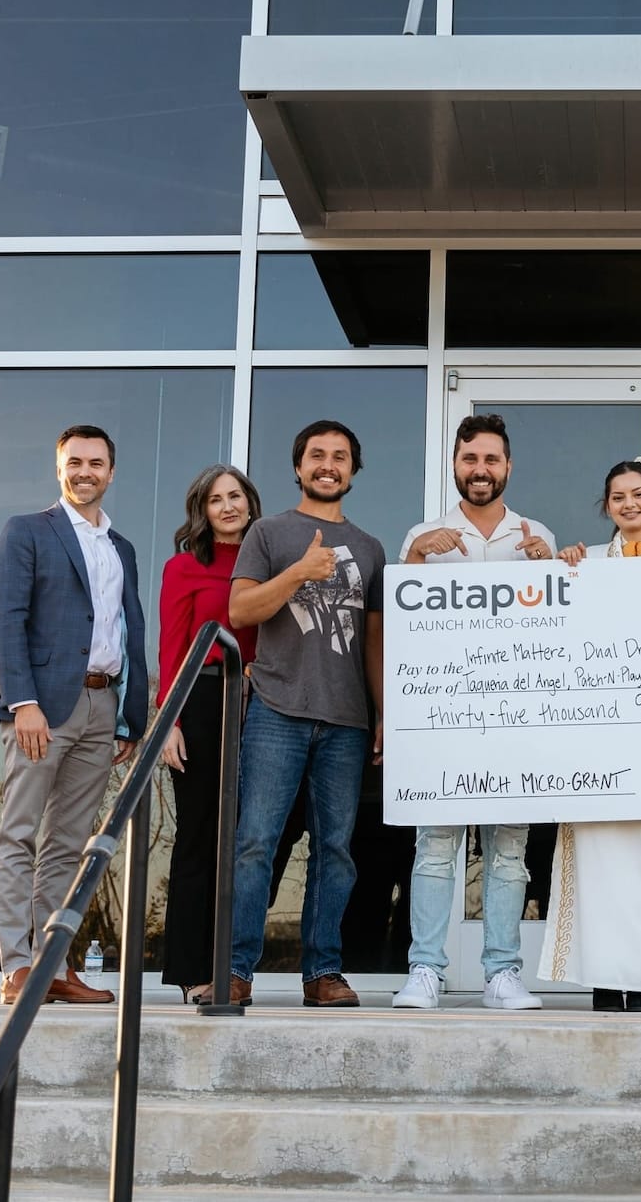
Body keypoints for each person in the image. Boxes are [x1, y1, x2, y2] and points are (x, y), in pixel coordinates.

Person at [213, 421, 385, 1008]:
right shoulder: (269, 531)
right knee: (255, 843)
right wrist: (298, 573)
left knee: (336, 850)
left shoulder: (370, 548)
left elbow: (373, 642)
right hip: (277, 711)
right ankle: (235, 970)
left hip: (346, 720)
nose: (328, 465)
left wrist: (382, 712)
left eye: (340, 456)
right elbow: (239, 611)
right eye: (317, 455)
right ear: (298, 466)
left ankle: (323, 972)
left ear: (353, 472)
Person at [392, 414, 554, 1012]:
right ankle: (425, 971)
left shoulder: (535, 534)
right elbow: (403, 630)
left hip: (514, 720)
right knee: (435, 844)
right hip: (442, 719)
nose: (480, 470)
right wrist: (413, 558)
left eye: (490, 460)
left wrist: (548, 567)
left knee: (509, 850)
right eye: (470, 460)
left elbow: (554, 631)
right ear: (455, 465)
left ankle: (503, 974)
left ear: (508, 467)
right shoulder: (425, 535)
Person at [540, 460, 641, 1010]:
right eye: (618, 497)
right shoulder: (585, 563)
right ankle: (606, 983)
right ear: (606, 506)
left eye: (639, 494)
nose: (629, 504)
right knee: (599, 867)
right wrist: (562, 566)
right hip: (598, 745)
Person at [0, 425, 147, 1005]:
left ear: (111, 472)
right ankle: (16, 965)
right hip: (42, 708)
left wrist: (130, 717)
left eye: (96, 463)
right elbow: (6, 620)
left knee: (69, 844)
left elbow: (128, 633)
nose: (85, 471)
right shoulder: (28, 531)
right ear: (60, 469)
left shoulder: (121, 547)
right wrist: (22, 702)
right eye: (74, 462)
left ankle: (55, 966)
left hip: (103, 706)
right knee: (19, 836)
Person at [156, 465, 261, 1003]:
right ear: (202, 510)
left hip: (261, 704)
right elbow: (172, 647)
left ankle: (238, 964)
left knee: (253, 839)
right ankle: (195, 970)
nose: (227, 506)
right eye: (216, 499)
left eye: (235, 496)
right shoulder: (183, 568)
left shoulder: (267, 564)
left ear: (250, 503)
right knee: (200, 836)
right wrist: (168, 720)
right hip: (199, 702)